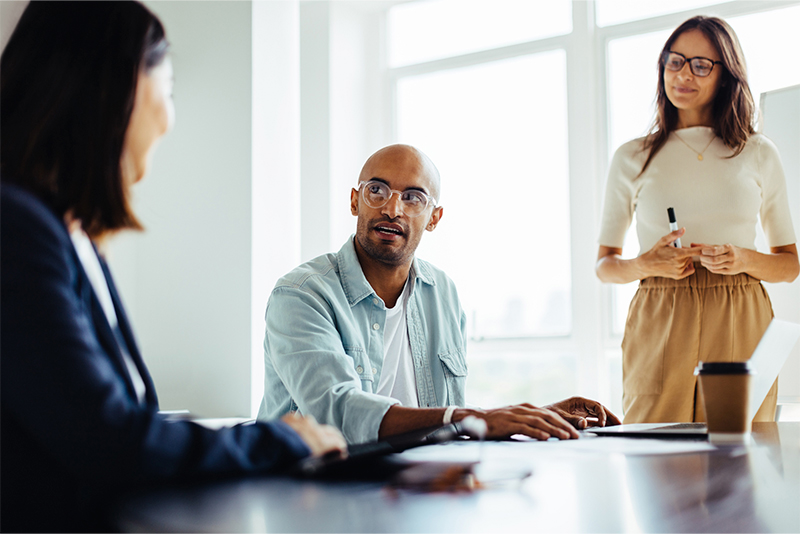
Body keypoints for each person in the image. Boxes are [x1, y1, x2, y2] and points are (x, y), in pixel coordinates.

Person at [0, 3, 345, 532]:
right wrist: (281, 437)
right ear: (115, 90)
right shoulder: (17, 226)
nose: (170, 117)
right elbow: (106, 440)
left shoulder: (75, 238)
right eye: (170, 87)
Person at [258, 143, 620, 445]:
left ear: (434, 217)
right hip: (311, 491)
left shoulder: (442, 292)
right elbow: (336, 417)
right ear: (355, 201)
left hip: (416, 484)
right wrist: (476, 418)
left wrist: (533, 417)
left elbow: (442, 416)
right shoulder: (301, 295)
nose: (391, 208)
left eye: (413, 197)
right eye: (377, 190)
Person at [596, 16, 798, 424]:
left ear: (726, 76)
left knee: (741, 460)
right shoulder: (631, 156)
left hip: (740, 310)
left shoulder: (758, 152)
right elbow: (605, 266)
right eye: (675, 61)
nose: (683, 74)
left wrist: (742, 259)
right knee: (655, 462)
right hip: (659, 309)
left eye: (701, 65)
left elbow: (789, 263)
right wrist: (645, 264)